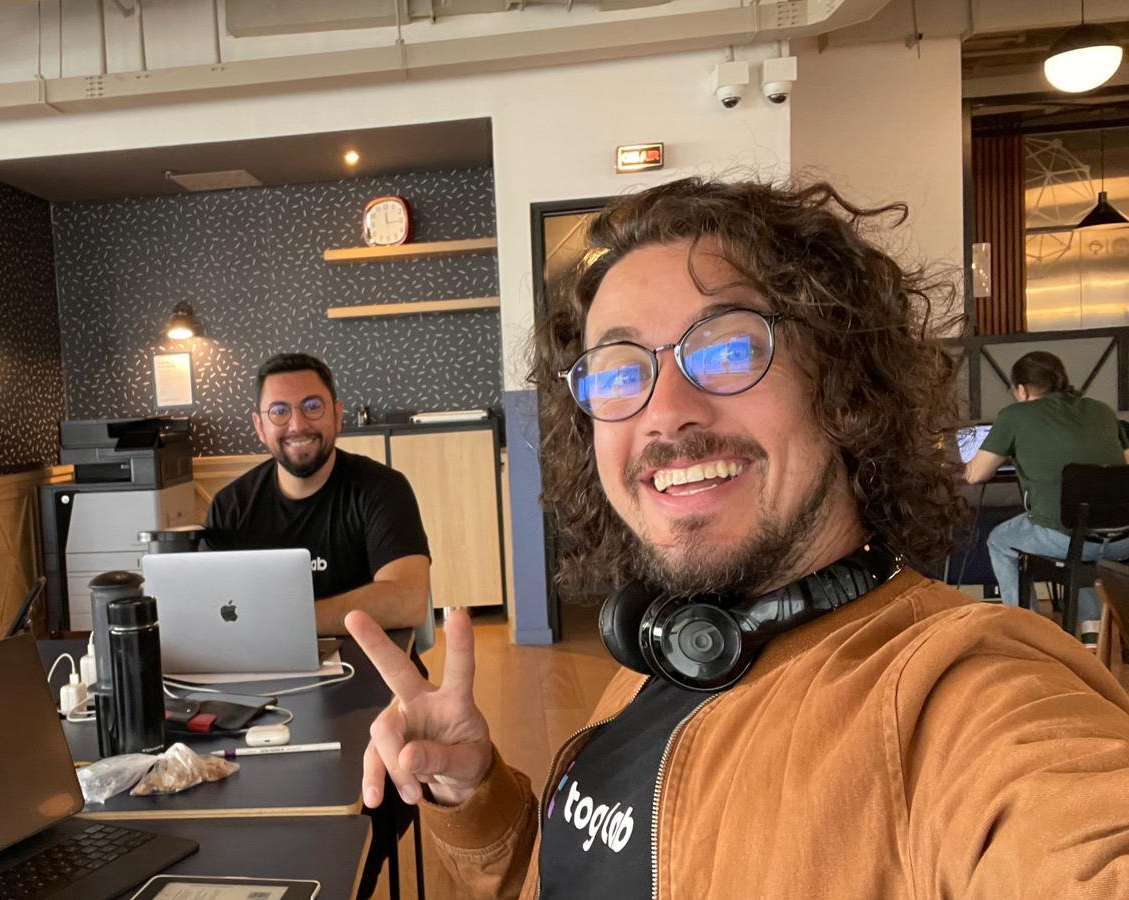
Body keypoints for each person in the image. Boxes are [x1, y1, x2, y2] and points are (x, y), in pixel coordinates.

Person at [346, 179, 1129, 898]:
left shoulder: (960, 700)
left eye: (725, 349)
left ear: (842, 381)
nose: (665, 410)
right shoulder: (673, 645)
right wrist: (475, 790)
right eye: (619, 371)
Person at [203, 352, 430, 635]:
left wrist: (287, 622)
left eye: (312, 406)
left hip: (376, 671)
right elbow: (213, 609)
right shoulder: (231, 506)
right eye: (279, 411)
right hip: (270, 669)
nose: (297, 425)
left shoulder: (382, 489)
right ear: (260, 427)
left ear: (337, 416)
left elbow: (406, 601)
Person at [967, 351, 1129, 643]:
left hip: (1067, 539)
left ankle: (1025, 629)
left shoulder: (1014, 415)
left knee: (999, 540)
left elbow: (976, 474)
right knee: (1083, 523)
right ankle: (1092, 631)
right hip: (1122, 540)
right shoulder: (1102, 410)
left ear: (1021, 389)